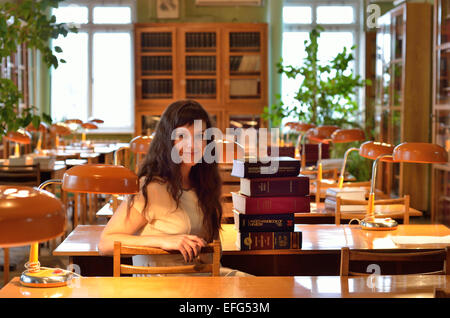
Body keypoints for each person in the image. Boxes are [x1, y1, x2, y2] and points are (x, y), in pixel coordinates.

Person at [98, 99, 248, 276]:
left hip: (203, 279)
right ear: (167, 141)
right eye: (182, 136)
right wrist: (163, 241)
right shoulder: (150, 187)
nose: (192, 145)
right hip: (164, 287)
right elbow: (105, 244)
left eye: (200, 136)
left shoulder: (203, 185)